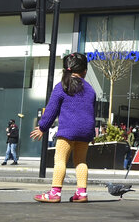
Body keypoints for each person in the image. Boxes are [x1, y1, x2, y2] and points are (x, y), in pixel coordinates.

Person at [30, 52, 96, 203]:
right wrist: (91, 134)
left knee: (60, 160)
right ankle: (81, 193)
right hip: (85, 132)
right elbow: (91, 113)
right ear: (84, 71)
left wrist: (42, 127)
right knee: (81, 161)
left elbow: (51, 110)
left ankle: (55, 192)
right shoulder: (91, 90)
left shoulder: (62, 87)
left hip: (67, 131)